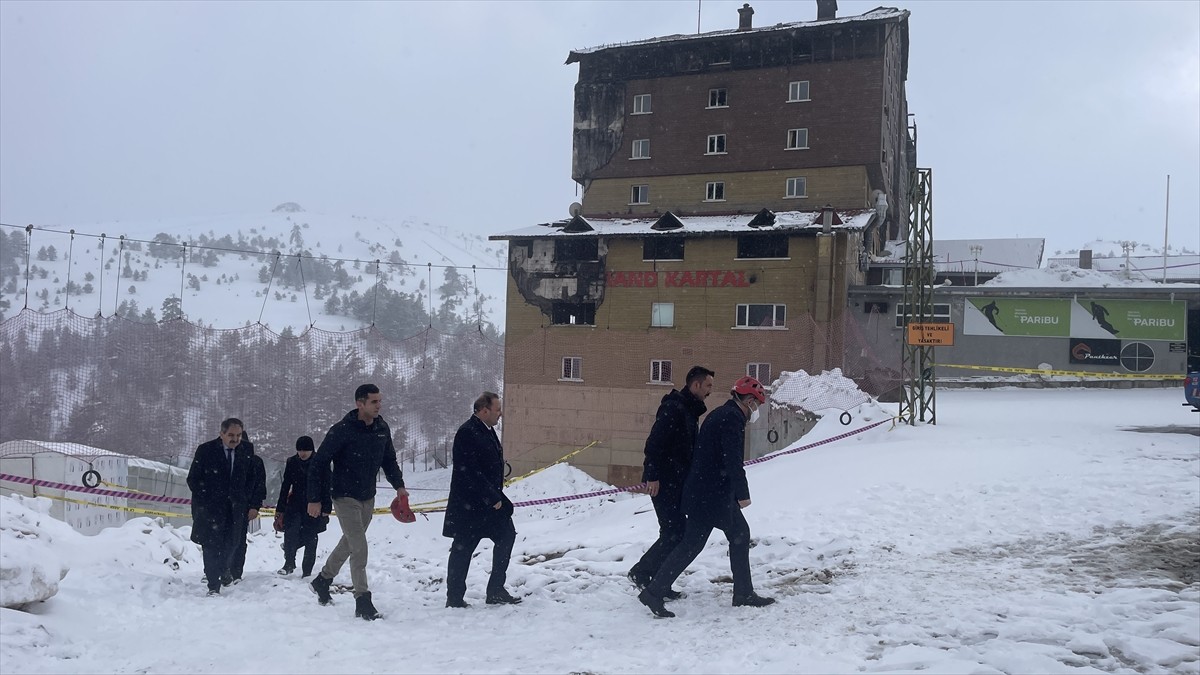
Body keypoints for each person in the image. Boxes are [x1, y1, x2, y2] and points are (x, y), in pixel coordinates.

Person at [638, 376, 776, 618]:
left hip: (705, 493)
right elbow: (732, 461)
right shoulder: (732, 419)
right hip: (711, 495)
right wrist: (742, 494)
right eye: (757, 404)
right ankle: (743, 594)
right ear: (749, 401)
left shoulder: (723, 414)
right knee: (738, 535)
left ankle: (654, 591)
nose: (757, 411)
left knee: (695, 543)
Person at [307, 383, 407, 621]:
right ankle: (363, 601)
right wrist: (314, 499)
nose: (378, 405)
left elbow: (389, 461)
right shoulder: (342, 430)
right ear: (359, 403)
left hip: (368, 496)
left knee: (350, 542)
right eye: (374, 402)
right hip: (344, 496)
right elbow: (318, 463)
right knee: (359, 547)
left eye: (379, 401)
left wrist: (400, 486)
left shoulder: (382, 428)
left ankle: (323, 580)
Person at [628, 365, 714, 599]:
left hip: (678, 482)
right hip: (664, 483)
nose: (709, 391)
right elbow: (654, 443)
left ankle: (653, 578)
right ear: (695, 385)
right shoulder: (674, 408)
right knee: (674, 533)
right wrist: (652, 476)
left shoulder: (688, 409)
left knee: (675, 532)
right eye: (707, 386)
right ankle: (644, 575)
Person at [443, 392, 521, 608]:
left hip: (490, 504)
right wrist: (492, 497)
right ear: (484, 410)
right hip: (471, 505)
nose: (500, 414)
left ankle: (496, 589)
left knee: (507, 536)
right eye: (497, 409)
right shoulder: (467, 432)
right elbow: (468, 471)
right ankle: (455, 597)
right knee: (462, 549)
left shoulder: (487, 430)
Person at [186, 418, 259, 596]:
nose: (235, 439)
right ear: (222, 434)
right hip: (210, 509)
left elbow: (252, 479)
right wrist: (206, 498)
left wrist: (246, 500)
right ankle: (213, 584)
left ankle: (223, 569)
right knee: (211, 546)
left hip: (235, 509)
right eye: (231, 435)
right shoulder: (206, 451)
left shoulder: (247, 451)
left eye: (238, 435)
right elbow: (193, 479)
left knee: (232, 544)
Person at [275, 435, 329, 577]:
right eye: (299, 450)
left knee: (311, 536)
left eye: (305, 450)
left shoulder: (320, 462)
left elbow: (327, 485)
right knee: (290, 533)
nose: (302, 453)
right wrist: (280, 508)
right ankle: (289, 563)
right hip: (295, 503)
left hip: (315, 503)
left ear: (312, 450)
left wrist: (326, 508)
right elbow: (286, 485)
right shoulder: (292, 462)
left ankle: (307, 570)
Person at [227, 435, 266, 583]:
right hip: (223, 508)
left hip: (243, 507)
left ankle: (236, 572)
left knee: (238, 539)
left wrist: (255, 506)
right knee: (221, 539)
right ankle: (219, 569)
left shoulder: (255, 462)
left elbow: (260, 486)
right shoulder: (224, 459)